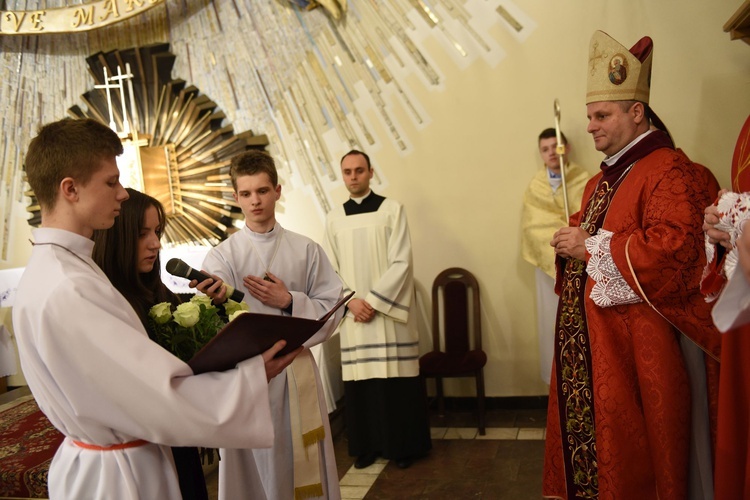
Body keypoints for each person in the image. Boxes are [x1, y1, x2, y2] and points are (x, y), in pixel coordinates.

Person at [12, 118, 300, 499]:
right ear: (71, 189)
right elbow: (155, 397)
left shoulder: (57, 269)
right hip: (120, 478)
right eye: (111, 182)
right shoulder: (70, 286)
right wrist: (251, 377)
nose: (123, 194)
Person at [544, 31, 722, 499]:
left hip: (646, 355)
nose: (591, 127)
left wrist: (593, 248)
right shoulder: (604, 179)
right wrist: (570, 244)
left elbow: (678, 250)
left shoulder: (668, 168)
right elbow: (592, 237)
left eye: (602, 115)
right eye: (589, 117)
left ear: (637, 112)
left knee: (646, 465)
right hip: (603, 354)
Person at [193, 149, 344, 500]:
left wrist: (289, 301)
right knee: (256, 467)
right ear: (235, 198)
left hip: (296, 370)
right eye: (245, 194)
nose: (255, 201)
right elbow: (210, 323)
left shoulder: (306, 249)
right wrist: (216, 301)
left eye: (262, 191)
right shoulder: (222, 256)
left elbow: (332, 309)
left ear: (277, 190)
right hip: (249, 374)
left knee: (300, 459)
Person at [91, 188, 208, 500]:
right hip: (141, 451)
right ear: (117, 236)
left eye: (157, 232)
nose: (156, 244)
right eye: (143, 234)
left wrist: (212, 306)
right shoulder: (107, 300)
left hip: (178, 437)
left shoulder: (154, 290)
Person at [322, 149, 431, 470]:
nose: (353, 177)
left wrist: (373, 301)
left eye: (359, 170)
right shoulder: (333, 218)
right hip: (355, 313)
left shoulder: (392, 210)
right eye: (347, 172)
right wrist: (350, 301)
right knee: (361, 384)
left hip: (386, 315)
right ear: (342, 176)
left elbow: (402, 260)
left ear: (371, 172)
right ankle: (366, 447)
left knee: (394, 383)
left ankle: (403, 447)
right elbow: (328, 268)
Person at [521, 128, 589, 384]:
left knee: (580, 325)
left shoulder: (585, 180)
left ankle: (582, 382)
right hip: (547, 265)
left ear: (566, 148)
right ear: (541, 154)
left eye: (556, 147)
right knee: (552, 321)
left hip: (580, 264)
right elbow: (532, 227)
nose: (551, 152)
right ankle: (554, 383)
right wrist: (558, 242)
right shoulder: (535, 187)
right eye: (545, 149)